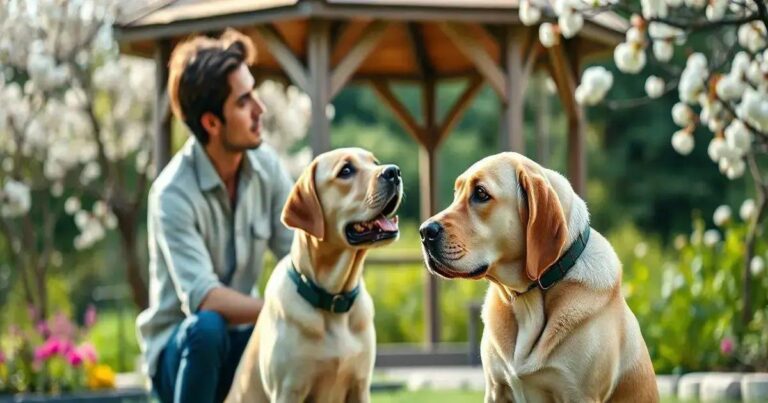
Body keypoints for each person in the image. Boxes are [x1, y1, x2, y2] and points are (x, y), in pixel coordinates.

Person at [135, 29, 293, 403]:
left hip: (244, 341)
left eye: (254, 92)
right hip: (180, 355)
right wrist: (284, 309)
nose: (260, 109)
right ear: (211, 123)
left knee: (288, 336)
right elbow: (204, 299)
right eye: (243, 102)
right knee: (207, 328)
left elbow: (298, 252)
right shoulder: (171, 193)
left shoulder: (266, 167)